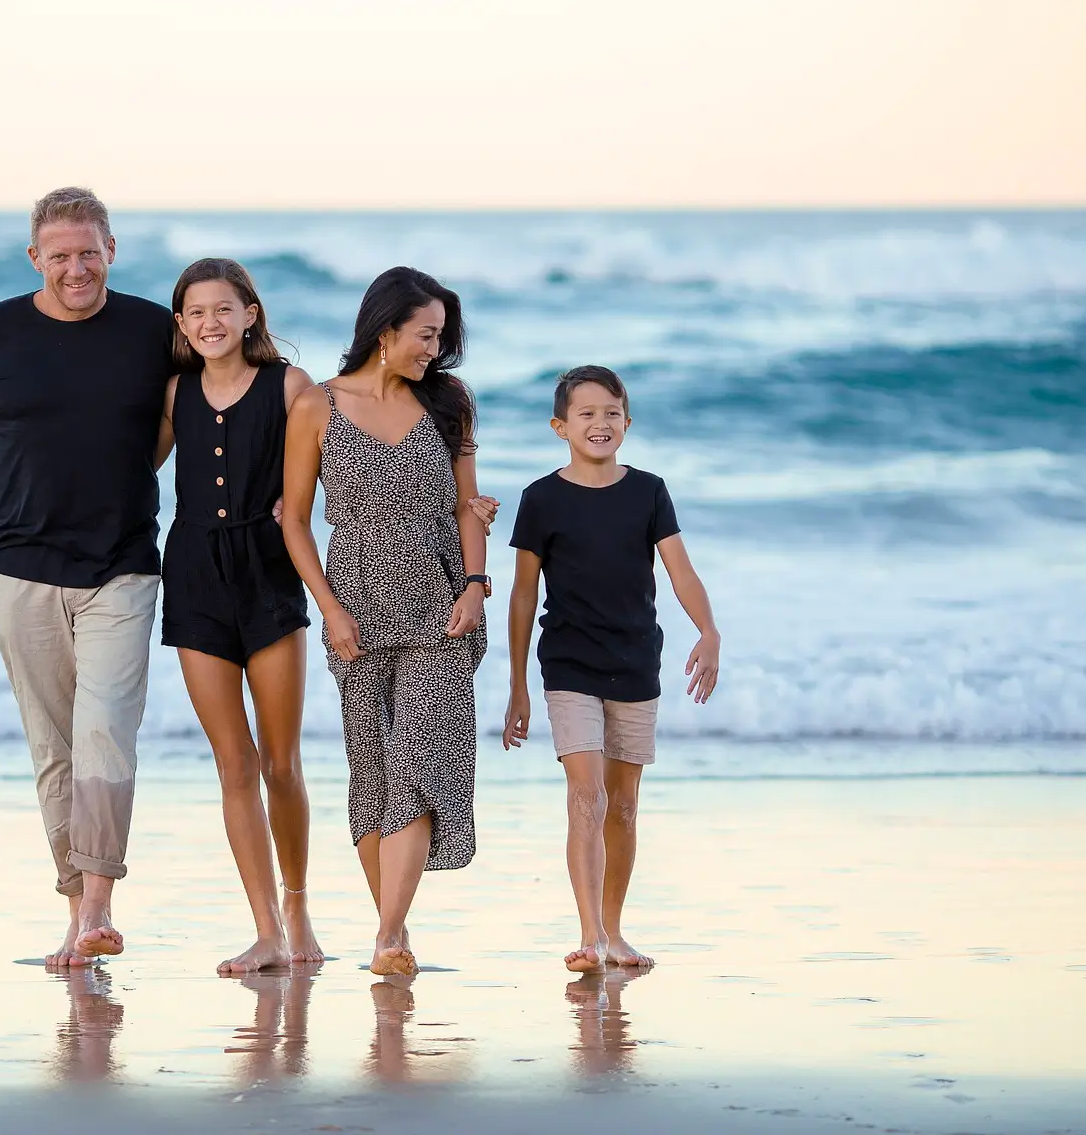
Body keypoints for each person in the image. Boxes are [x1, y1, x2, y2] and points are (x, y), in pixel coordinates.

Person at [0, 187, 174, 967]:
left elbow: (179, 419)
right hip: (21, 571)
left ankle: (98, 905)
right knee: (54, 748)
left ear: (112, 250)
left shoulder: (151, 328)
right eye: (60, 255)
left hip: (124, 567)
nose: (77, 268)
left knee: (106, 734)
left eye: (89, 252)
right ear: (36, 258)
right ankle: (76, 912)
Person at [281, 266, 492, 978]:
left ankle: (390, 934)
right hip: (357, 608)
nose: (434, 350)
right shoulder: (316, 407)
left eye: (441, 338)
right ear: (385, 329)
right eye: (425, 335)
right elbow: (295, 522)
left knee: (419, 761)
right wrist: (328, 608)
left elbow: (467, 506)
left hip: (441, 604)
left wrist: (476, 583)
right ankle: (391, 938)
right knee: (371, 773)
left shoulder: (450, 402)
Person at [500, 364, 720, 973]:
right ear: (560, 426)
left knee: (623, 806)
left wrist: (708, 631)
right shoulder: (540, 499)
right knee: (586, 794)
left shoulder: (649, 491)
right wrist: (517, 683)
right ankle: (590, 935)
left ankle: (615, 931)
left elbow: (679, 569)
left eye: (612, 413)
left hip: (635, 663)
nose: (601, 424)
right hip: (568, 664)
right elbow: (523, 595)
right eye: (587, 414)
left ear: (628, 421)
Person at [159, 258, 323, 974]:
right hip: (193, 576)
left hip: (268, 574)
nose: (210, 323)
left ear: (251, 314)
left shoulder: (290, 386)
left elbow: (333, 466)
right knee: (234, 763)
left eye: (224, 308)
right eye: (196, 312)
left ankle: (296, 905)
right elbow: (128, 471)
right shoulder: (174, 394)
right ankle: (264, 931)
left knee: (280, 763)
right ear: (181, 324)